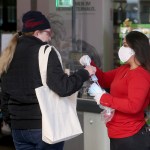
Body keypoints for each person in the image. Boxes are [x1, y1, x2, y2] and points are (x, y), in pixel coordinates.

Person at [0, 10, 96, 150]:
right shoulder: (45, 51)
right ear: (37, 32)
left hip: (18, 129)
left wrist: (12, 121)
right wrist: (84, 73)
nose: (50, 38)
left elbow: (4, 95)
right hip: (44, 127)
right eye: (48, 33)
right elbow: (63, 88)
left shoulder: (10, 53)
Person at [80, 31, 150, 150]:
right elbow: (103, 79)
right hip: (117, 133)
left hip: (132, 136)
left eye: (125, 45)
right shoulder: (124, 69)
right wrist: (89, 64)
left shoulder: (140, 75)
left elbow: (134, 106)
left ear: (135, 49)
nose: (121, 48)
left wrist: (104, 98)